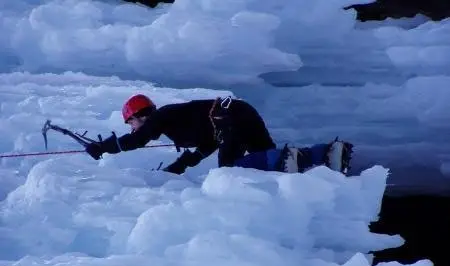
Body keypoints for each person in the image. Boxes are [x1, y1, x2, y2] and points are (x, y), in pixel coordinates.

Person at [85, 94, 353, 175]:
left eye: (130, 122)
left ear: (138, 116)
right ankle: (327, 153)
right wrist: (183, 164)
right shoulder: (167, 121)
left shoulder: (159, 117)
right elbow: (209, 141)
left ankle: (295, 156)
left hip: (230, 118)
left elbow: (136, 141)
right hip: (238, 112)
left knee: (231, 170)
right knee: (270, 162)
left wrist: (104, 147)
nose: (131, 127)